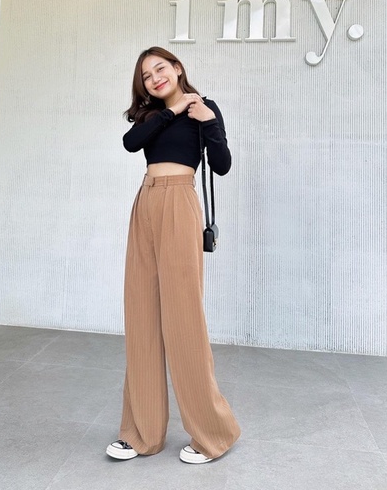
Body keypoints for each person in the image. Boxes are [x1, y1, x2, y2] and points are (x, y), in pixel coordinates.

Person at [106, 46, 241, 465]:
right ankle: (141, 432)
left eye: (160, 68)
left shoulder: (204, 107)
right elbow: (131, 144)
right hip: (145, 202)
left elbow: (222, 165)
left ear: (178, 68)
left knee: (183, 317)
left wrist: (208, 121)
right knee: (141, 314)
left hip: (180, 201)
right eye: (146, 76)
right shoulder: (150, 116)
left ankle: (212, 433)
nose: (154, 78)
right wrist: (171, 111)